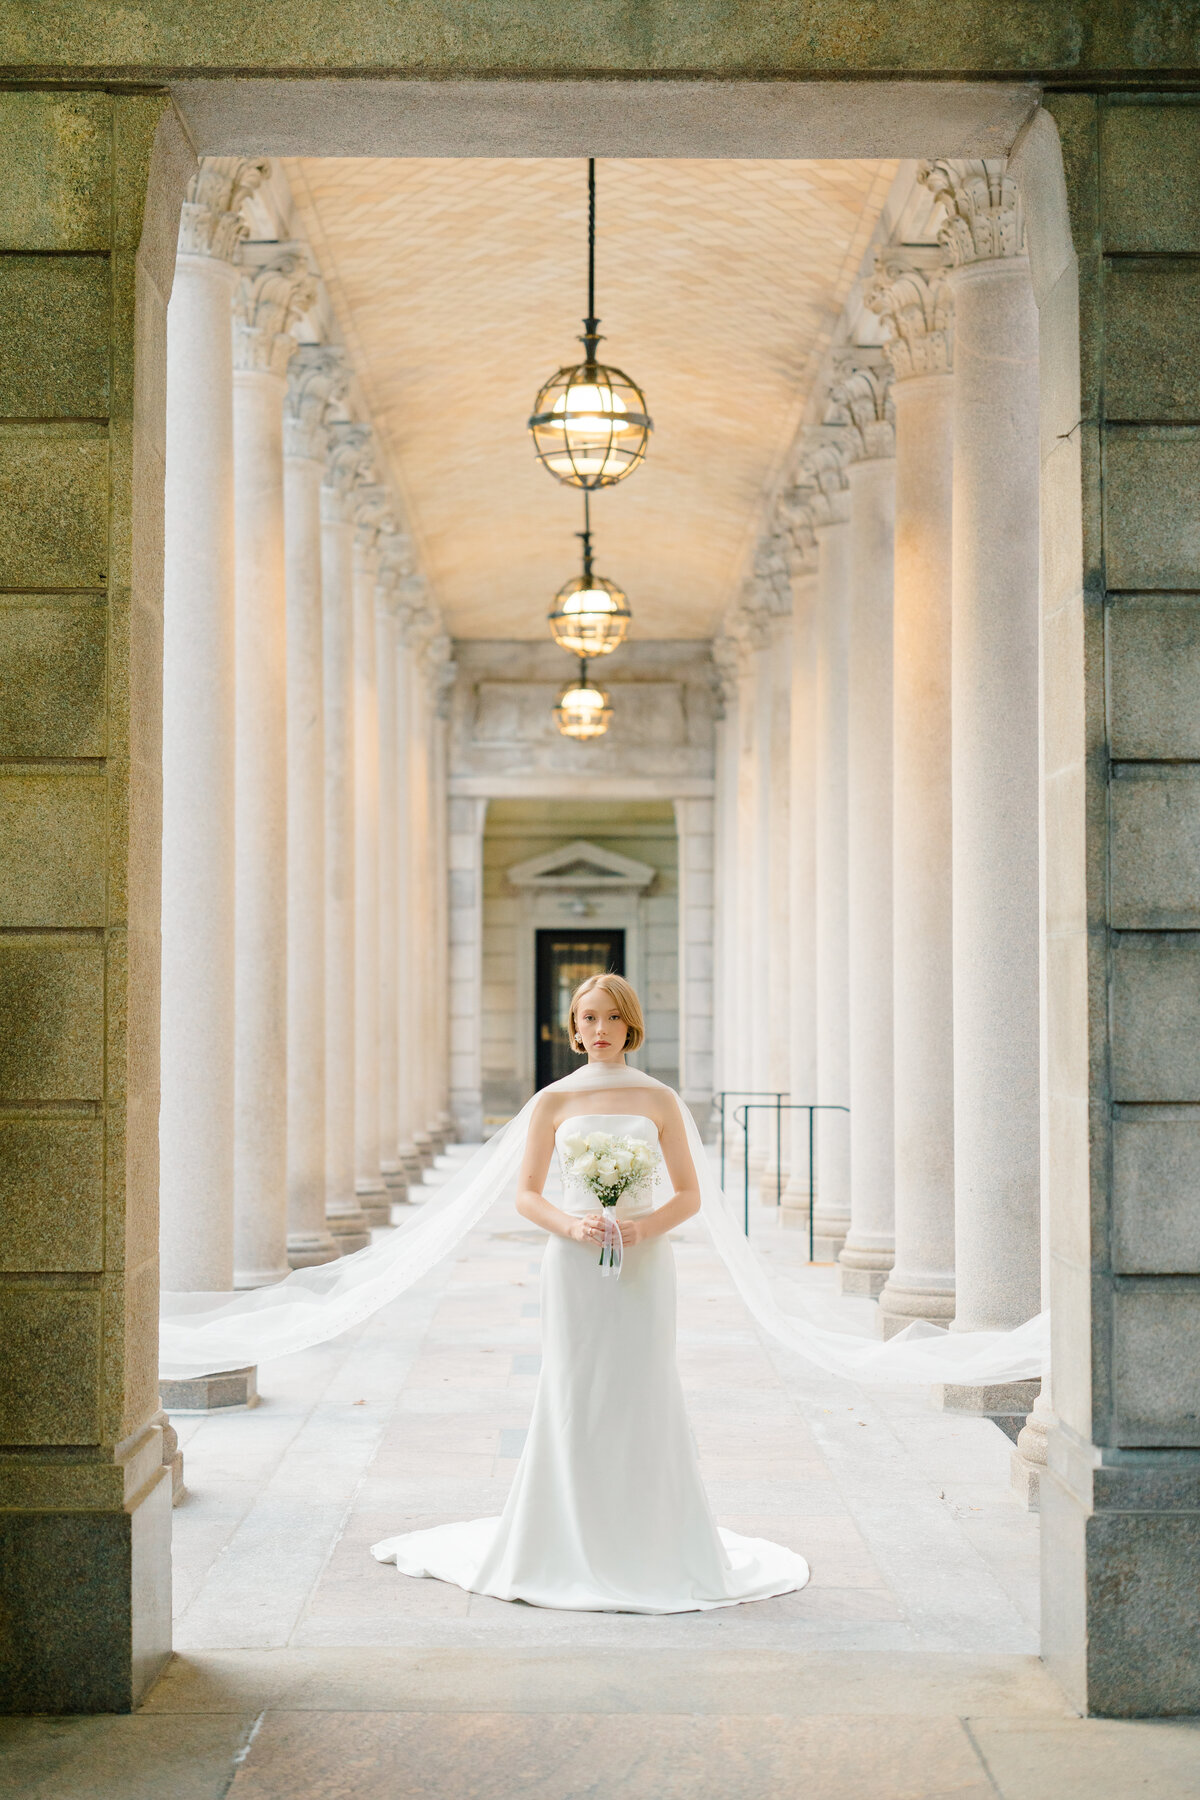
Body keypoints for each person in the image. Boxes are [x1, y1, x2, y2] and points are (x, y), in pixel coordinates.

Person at [371, 973, 811, 1612]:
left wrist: (643, 1226)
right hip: (574, 1267)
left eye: (609, 1018)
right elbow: (525, 1194)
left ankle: (653, 1540)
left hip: (644, 1264)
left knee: (643, 1386)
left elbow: (688, 1194)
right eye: (586, 1018)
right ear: (572, 1029)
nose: (598, 1030)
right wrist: (573, 1224)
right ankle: (564, 1540)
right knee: (574, 1389)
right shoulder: (552, 1101)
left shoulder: (658, 1099)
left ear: (630, 1024)